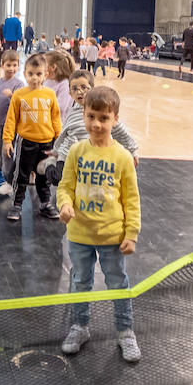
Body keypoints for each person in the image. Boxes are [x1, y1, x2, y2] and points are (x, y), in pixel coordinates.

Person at [58, 85, 141, 363]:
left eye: (103, 118)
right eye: (91, 116)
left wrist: (132, 233)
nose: (96, 124)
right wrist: (65, 204)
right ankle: (79, 326)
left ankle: (125, 331)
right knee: (80, 281)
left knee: (118, 282)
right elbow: (65, 186)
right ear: (83, 115)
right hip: (79, 234)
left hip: (112, 237)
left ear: (115, 119)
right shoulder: (76, 151)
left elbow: (131, 199)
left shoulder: (123, 157)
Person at [39, 69, 139, 186]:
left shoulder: (100, 109)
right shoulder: (72, 112)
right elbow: (64, 133)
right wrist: (56, 151)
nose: (79, 92)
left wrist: (132, 151)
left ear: (92, 89)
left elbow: (119, 130)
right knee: (58, 179)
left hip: (92, 156)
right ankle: (49, 164)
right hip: (68, 153)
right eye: (74, 89)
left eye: (83, 87)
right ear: (70, 93)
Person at [2, 52, 62, 222]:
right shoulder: (19, 95)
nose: (34, 78)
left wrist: (59, 140)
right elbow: (11, 119)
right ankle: (17, 204)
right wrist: (7, 140)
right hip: (25, 142)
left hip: (47, 144)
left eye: (38, 74)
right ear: (25, 73)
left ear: (45, 75)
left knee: (44, 176)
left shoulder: (50, 94)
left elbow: (56, 118)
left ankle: (45, 204)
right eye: (30, 74)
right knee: (21, 174)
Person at [0, 49, 26, 196]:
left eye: (14, 65)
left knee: (8, 153)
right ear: (2, 65)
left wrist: (12, 96)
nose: (11, 68)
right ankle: (0, 171)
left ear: (18, 66)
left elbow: (21, 104)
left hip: (11, 126)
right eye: (8, 65)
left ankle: (7, 178)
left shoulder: (19, 85)